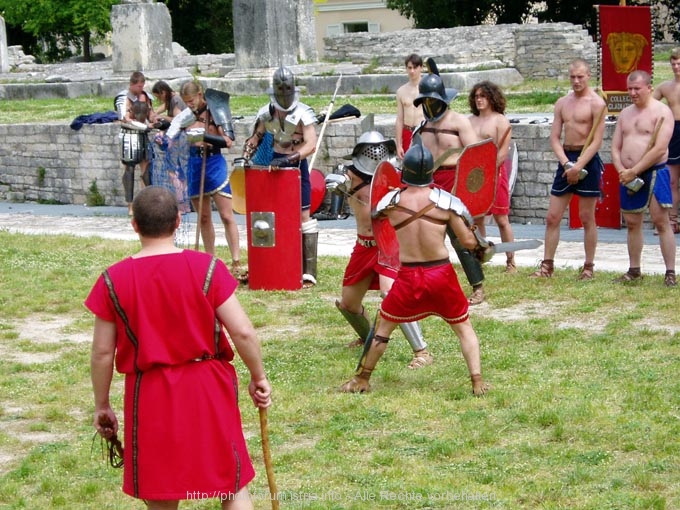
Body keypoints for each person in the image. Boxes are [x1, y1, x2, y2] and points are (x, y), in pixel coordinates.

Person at [86, 186, 272, 509]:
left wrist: (102, 403)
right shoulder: (206, 268)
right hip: (208, 388)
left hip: (149, 396)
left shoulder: (113, 280)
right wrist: (259, 376)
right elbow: (242, 331)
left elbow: (103, 352)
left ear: (135, 225)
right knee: (231, 483)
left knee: (161, 491)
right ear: (177, 222)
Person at [340, 144, 490, 395]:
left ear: (405, 171)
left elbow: (374, 219)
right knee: (464, 328)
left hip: (409, 275)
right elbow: (467, 243)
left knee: (383, 330)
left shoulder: (390, 203)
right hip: (441, 274)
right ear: (429, 172)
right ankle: (477, 382)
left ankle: (363, 379)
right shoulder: (446, 203)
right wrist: (482, 247)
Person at [326, 131, 433, 368]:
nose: (375, 155)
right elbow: (336, 180)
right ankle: (368, 337)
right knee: (349, 305)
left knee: (390, 293)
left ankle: (422, 351)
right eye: (370, 150)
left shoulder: (395, 175)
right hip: (363, 246)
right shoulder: (350, 175)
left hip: (388, 244)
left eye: (380, 149)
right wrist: (333, 182)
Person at [238, 66, 320, 286]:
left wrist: (290, 159)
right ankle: (275, 263)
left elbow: (310, 144)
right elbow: (255, 137)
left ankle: (307, 270)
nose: (284, 94)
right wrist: (245, 156)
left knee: (303, 218)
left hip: (296, 167)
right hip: (272, 167)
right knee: (272, 216)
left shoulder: (303, 113)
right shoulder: (266, 114)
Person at [412, 71, 487, 305]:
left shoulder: (458, 122)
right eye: (425, 101)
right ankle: (426, 286)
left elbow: (477, 155)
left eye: (432, 101)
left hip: (453, 181)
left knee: (461, 237)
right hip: (428, 184)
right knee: (426, 236)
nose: (429, 105)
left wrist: (468, 191)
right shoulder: (421, 124)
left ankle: (478, 287)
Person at [530, 58, 606, 280]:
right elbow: (554, 138)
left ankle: (588, 266)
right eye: (572, 77)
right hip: (567, 157)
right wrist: (566, 163)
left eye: (580, 76)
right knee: (553, 216)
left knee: (586, 217)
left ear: (588, 75)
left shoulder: (597, 104)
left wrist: (579, 166)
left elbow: (597, 141)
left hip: (587, 160)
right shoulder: (562, 103)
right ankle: (547, 266)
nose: (576, 81)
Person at [165, 81, 246, 280]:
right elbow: (172, 134)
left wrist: (204, 136)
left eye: (191, 101)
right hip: (194, 163)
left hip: (213, 163)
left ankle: (236, 261)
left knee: (227, 215)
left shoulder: (216, 110)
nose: (189, 105)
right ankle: (211, 261)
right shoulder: (187, 116)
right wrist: (164, 134)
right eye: (186, 102)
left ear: (200, 95)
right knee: (203, 217)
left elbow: (228, 141)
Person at [611, 70, 677, 287]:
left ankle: (670, 272)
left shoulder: (662, 112)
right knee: (632, 223)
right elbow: (615, 146)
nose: (632, 93)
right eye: (629, 89)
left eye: (636, 88)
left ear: (649, 88)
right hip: (628, 174)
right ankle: (634, 269)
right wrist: (622, 169)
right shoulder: (625, 113)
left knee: (661, 222)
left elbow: (659, 149)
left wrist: (636, 169)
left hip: (655, 172)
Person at [468, 80, 517, 273]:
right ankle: (479, 258)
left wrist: (487, 171)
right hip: (474, 177)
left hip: (495, 175)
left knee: (502, 219)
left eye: (483, 96)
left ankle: (511, 261)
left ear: (491, 97)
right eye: (477, 96)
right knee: (477, 219)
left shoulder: (500, 121)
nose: (479, 100)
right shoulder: (469, 121)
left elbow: (502, 153)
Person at [115, 71, 155, 215]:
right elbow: (125, 120)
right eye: (138, 86)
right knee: (129, 171)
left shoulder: (145, 97)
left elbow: (151, 116)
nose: (140, 88)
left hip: (143, 136)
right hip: (129, 136)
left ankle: (147, 202)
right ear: (132, 84)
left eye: (142, 85)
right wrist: (145, 127)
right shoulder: (122, 98)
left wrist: (157, 122)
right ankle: (130, 205)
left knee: (146, 169)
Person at [652, 47, 680, 234]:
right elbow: (648, 103)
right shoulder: (665, 87)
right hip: (675, 131)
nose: (676, 66)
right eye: (673, 63)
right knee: (671, 180)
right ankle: (672, 220)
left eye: (679, 63)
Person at [395, 53, 425, 159]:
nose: (412, 71)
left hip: (424, 132)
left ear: (421, 67)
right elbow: (399, 119)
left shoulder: (428, 89)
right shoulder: (401, 91)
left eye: (415, 67)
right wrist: (399, 145)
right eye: (409, 68)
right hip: (407, 132)